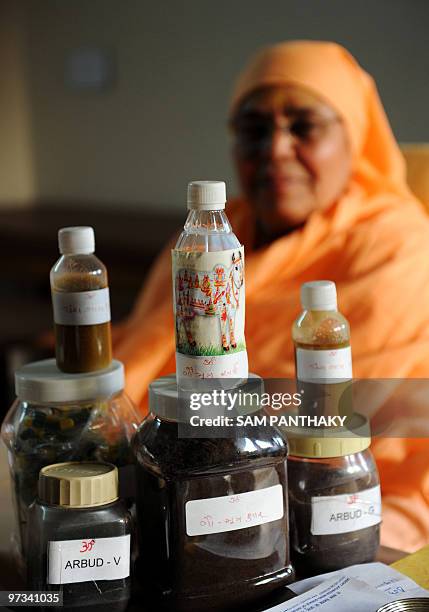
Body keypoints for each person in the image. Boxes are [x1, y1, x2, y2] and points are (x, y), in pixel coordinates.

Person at [114, 41, 429, 551]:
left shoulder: (396, 241)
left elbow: (340, 408)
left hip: (347, 490)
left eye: (303, 126)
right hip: (187, 469)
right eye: (255, 130)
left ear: (354, 136)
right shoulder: (212, 237)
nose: (276, 149)